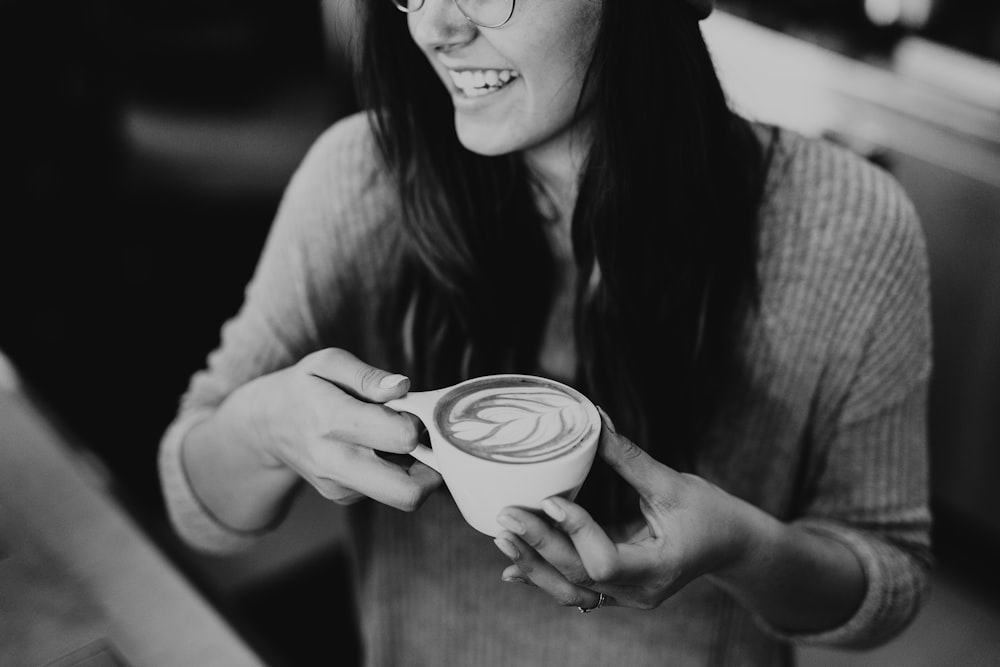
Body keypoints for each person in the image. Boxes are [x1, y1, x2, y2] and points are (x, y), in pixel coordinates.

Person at [159, 0, 933, 664]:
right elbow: (197, 500)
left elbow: (887, 575)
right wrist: (264, 427)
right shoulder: (357, 177)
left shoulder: (849, 229)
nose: (435, 26)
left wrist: (742, 549)